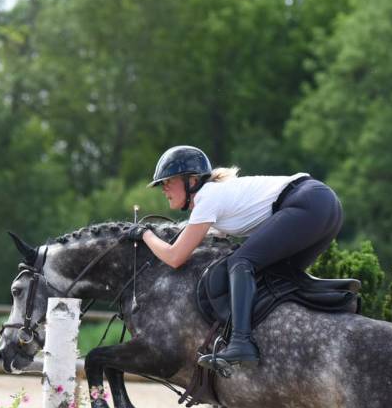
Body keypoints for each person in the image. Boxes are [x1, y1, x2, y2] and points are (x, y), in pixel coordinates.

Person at [131, 145, 343, 373]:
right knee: (276, 277)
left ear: (191, 181)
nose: (164, 189)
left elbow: (175, 257)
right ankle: (329, 308)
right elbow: (194, 236)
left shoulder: (207, 197)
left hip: (308, 202)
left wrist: (144, 234)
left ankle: (241, 342)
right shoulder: (213, 198)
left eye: (168, 182)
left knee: (240, 263)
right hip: (325, 206)